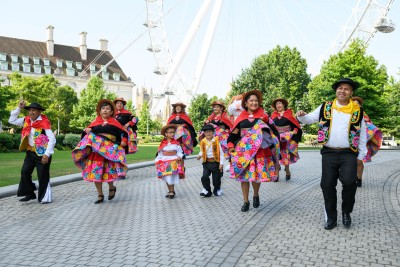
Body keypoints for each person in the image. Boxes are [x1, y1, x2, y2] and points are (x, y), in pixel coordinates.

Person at [296, 78, 367, 230]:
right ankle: (331, 217)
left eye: (346, 89)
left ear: (351, 93)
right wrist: (301, 115)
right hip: (329, 153)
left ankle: (346, 212)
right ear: (336, 90)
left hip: (349, 153)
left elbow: (363, 135)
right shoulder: (325, 107)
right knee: (327, 185)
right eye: (340, 88)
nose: (342, 91)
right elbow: (308, 119)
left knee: (349, 182)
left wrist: (361, 156)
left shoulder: (357, 111)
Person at [227, 89, 280, 212]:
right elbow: (233, 135)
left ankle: (256, 194)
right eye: (251, 100)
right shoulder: (241, 118)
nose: (254, 103)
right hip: (243, 153)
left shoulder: (264, 117)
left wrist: (273, 144)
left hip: (259, 152)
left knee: (256, 177)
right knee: (244, 178)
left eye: (256, 101)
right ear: (245, 103)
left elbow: (274, 131)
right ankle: (246, 201)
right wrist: (230, 145)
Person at [72, 99, 128, 204]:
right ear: (100, 111)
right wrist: (87, 131)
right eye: (103, 109)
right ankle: (100, 194)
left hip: (110, 152)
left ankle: (111, 187)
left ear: (112, 112)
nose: (105, 110)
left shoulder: (115, 122)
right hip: (96, 152)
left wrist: (124, 141)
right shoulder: (95, 122)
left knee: (109, 171)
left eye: (108, 109)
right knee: (96, 173)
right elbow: (86, 134)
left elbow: (124, 133)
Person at [8, 101, 56, 203]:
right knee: (24, 172)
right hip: (30, 152)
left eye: (33, 110)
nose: (31, 112)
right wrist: (18, 108)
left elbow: (52, 139)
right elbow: (11, 120)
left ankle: (44, 198)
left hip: (42, 154)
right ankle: (30, 193)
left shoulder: (44, 122)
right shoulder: (26, 120)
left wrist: (47, 154)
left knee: (42, 176)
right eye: (29, 110)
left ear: (39, 112)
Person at [352, 96, 383, 187]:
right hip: (349, 142)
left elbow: (370, 126)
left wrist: (373, 140)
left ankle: (359, 179)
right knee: (350, 162)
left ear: (360, 106)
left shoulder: (363, 114)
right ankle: (351, 178)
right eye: (353, 103)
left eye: (357, 103)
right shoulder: (347, 113)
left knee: (359, 161)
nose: (355, 105)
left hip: (361, 142)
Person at [271, 98, 303, 181]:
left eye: (280, 103)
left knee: (285, 156)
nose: (278, 105)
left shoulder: (289, 114)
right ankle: (277, 173)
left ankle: (287, 170)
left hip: (286, 139)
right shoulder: (273, 115)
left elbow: (296, 126)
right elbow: (270, 126)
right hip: (277, 139)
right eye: (277, 104)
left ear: (284, 105)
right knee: (276, 156)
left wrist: (295, 131)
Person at [155, 124, 184, 199]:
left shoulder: (176, 143)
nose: (172, 134)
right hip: (165, 162)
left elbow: (180, 152)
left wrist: (179, 156)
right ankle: (170, 191)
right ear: (166, 134)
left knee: (171, 176)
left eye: (173, 132)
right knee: (167, 177)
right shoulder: (163, 144)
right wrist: (158, 159)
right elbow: (160, 153)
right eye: (170, 132)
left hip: (173, 162)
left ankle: (172, 191)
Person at [202, 100, 232, 171]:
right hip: (213, 137)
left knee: (221, 152)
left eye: (217, 107)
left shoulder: (225, 116)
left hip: (222, 137)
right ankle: (217, 168)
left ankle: (222, 167)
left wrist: (221, 131)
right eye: (214, 107)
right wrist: (206, 123)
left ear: (221, 108)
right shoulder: (211, 117)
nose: (215, 108)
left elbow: (230, 127)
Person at [197, 124, 224, 197]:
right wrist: (200, 155)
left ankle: (217, 190)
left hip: (215, 163)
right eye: (206, 132)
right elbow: (202, 150)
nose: (208, 133)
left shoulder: (217, 141)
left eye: (210, 131)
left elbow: (221, 153)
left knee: (216, 178)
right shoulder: (203, 141)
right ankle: (207, 190)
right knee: (204, 177)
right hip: (206, 162)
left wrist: (221, 163)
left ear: (213, 132)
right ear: (204, 133)